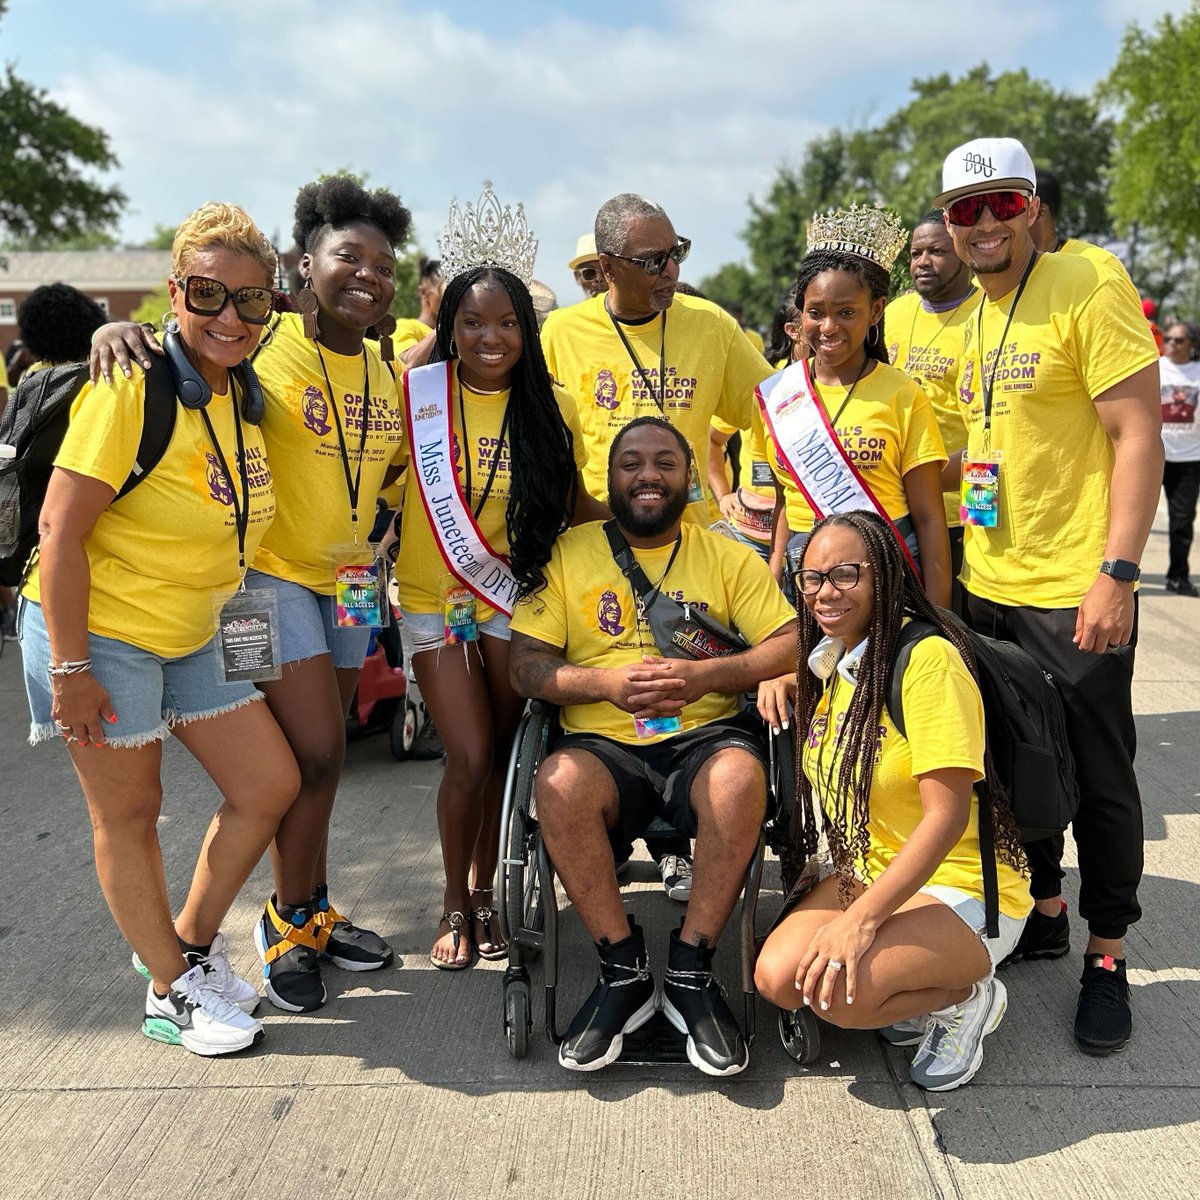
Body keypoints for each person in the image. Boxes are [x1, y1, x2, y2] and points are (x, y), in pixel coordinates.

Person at [92, 176, 414, 1014]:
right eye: (350, 256)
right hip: (267, 584)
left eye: (384, 263)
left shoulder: (385, 366)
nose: (369, 275)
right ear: (305, 263)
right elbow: (196, 345)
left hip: (352, 585)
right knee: (308, 757)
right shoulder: (266, 346)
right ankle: (282, 926)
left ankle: (309, 907)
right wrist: (121, 327)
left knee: (331, 753)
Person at [18, 202, 299, 1055]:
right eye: (209, 294)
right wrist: (69, 670)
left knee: (267, 785)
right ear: (175, 292)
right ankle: (171, 996)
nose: (229, 317)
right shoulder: (128, 386)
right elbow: (59, 532)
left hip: (192, 628)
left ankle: (179, 951)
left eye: (252, 302)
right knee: (133, 813)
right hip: (98, 630)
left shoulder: (238, 390)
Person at [936, 136, 1162, 1055]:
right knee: (1017, 770)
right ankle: (1051, 905)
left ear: (1031, 207)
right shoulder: (973, 318)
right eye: (967, 209)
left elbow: (1138, 433)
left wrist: (1118, 572)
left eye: (1003, 203)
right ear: (951, 224)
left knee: (1101, 775)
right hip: (989, 584)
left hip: (1076, 588)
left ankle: (1108, 956)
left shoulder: (1089, 281)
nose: (986, 223)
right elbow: (968, 458)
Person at [509, 416, 796, 1075]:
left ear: (689, 479)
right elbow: (525, 664)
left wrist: (704, 676)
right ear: (608, 479)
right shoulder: (569, 553)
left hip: (706, 735)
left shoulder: (723, 553)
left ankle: (693, 970)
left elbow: (787, 640)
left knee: (739, 780)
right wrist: (602, 683)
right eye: (632, 462)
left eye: (665, 462)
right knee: (555, 782)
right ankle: (623, 970)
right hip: (603, 746)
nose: (648, 475)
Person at [388, 184, 600, 969]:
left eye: (507, 322)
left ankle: (492, 891)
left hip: (519, 603)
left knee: (510, 752)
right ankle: (455, 900)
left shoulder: (554, 406)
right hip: (435, 602)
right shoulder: (416, 397)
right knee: (470, 755)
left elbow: (581, 513)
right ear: (448, 323)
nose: (490, 337)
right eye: (471, 321)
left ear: (527, 330)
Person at [541, 193, 773, 896]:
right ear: (607, 266)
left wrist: (761, 501)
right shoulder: (562, 334)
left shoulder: (710, 325)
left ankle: (682, 832)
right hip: (591, 561)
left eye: (678, 252)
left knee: (693, 705)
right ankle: (602, 832)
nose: (670, 268)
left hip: (692, 564)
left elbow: (775, 412)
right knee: (602, 712)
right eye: (652, 259)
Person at [755, 510, 1030, 1091]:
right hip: (875, 868)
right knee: (778, 980)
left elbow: (947, 816)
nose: (825, 592)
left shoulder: (927, 663)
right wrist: (782, 678)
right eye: (811, 578)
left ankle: (964, 998)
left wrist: (859, 922)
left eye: (846, 575)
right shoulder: (835, 661)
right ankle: (907, 986)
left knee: (837, 998)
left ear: (883, 577)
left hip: (963, 887)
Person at [756, 205, 951, 607]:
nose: (828, 328)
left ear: (876, 311)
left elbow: (930, 520)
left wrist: (939, 616)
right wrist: (774, 579)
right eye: (815, 313)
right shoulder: (779, 395)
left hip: (886, 575)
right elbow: (784, 503)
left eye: (846, 313)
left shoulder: (903, 395)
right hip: (806, 580)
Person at [886, 212, 980, 608]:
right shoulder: (895, 312)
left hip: (961, 522)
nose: (922, 262)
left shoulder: (986, 313)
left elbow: (990, 436)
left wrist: (982, 519)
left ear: (961, 250)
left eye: (937, 251)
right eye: (915, 252)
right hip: (895, 514)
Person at [1158, 321, 1200, 596]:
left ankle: (1178, 577)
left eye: (1179, 340)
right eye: (1169, 338)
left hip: (1189, 458)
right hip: (1155, 454)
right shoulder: (1155, 367)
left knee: (1183, 520)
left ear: (1192, 345)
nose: (1171, 343)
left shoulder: (1197, 372)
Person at [393, 257, 444, 356]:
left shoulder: (456, 335)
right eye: (443, 289)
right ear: (423, 292)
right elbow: (406, 364)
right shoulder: (404, 327)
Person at [568, 233, 607, 298]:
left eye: (605, 271)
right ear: (577, 277)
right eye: (589, 273)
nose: (599, 279)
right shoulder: (574, 308)